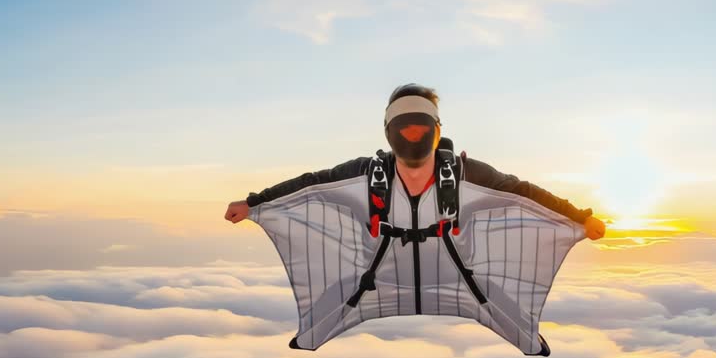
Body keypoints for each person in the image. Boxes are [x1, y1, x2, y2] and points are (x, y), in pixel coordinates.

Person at [224, 84, 606, 240]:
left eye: (419, 127)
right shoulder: (366, 173)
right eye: (403, 128)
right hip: (379, 275)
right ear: (390, 130)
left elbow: (524, 191)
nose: (412, 136)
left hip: (458, 271)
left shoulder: (463, 173)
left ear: (436, 130)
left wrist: (578, 217)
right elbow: (312, 183)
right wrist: (255, 202)